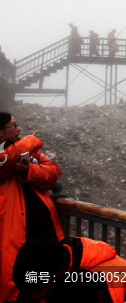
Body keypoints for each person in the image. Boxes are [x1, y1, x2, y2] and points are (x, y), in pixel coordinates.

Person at [0, 113, 64, 303]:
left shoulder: (27, 151)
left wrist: (30, 170)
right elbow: (6, 159)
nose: (19, 129)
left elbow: (53, 172)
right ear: (1, 132)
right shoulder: (21, 149)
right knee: (15, 278)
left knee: (45, 276)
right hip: (13, 231)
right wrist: (30, 141)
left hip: (41, 229)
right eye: (14, 125)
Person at [13, 237, 126, 303]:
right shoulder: (67, 258)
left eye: (37, 288)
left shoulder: (106, 288)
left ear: (59, 273)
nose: (35, 296)